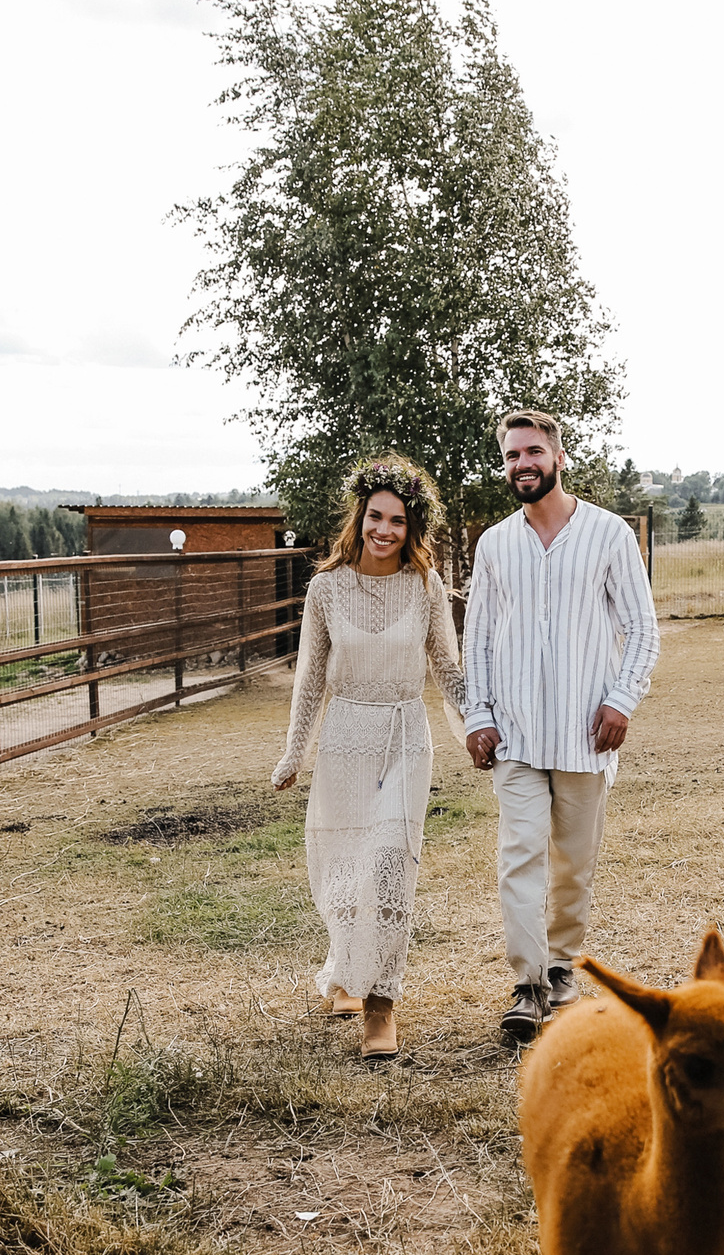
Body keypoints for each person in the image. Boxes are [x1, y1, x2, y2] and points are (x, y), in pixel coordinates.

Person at [461, 409, 660, 1042]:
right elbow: (478, 638)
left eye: (533, 452)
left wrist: (622, 701)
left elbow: (642, 629)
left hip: (584, 733)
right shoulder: (494, 544)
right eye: (512, 455)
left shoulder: (608, 534)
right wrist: (478, 715)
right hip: (515, 734)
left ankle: (561, 966)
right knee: (519, 857)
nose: (523, 464)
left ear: (558, 457)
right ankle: (527, 986)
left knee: (573, 864)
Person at [272, 454, 467, 1060]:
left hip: (405, 735)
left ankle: (381, 1004)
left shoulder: (425, 585)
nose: (385, 530)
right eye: (376, 517)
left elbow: (446, 666)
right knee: (347, 867)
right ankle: (345, 971)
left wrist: (480, 724)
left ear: (412, 528)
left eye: (398, 521)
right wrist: (293, 753)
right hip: (345, 738)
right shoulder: (326, 589)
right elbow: (310, 679)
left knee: (390, 864)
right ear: (359, 518)